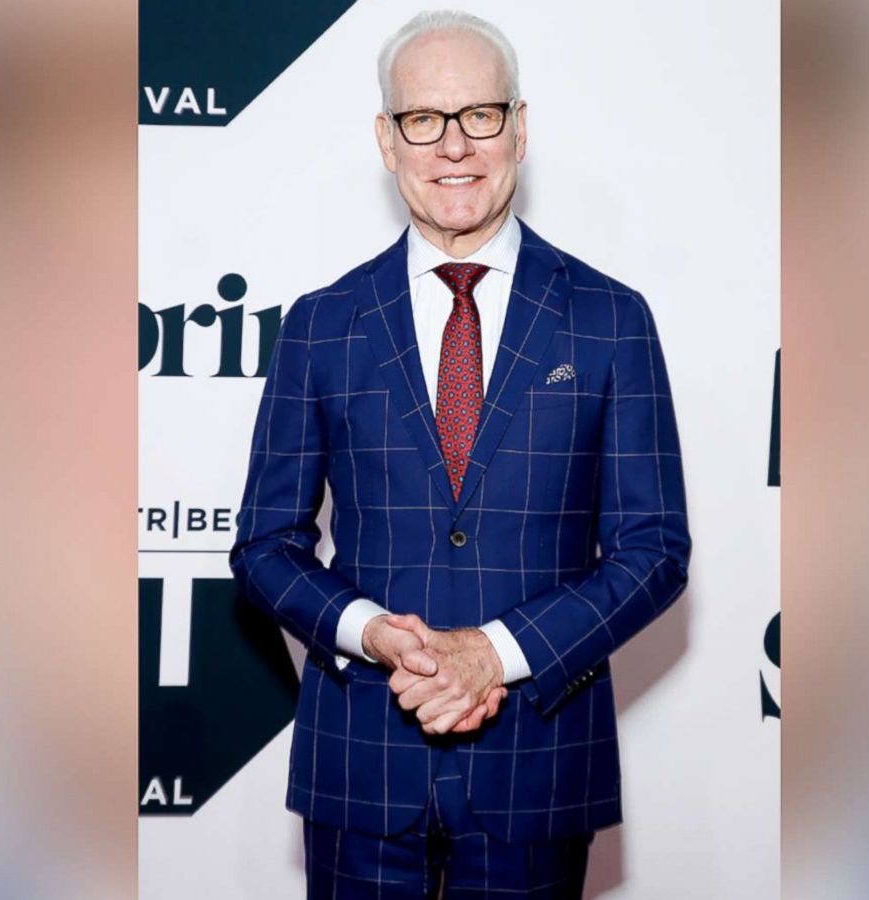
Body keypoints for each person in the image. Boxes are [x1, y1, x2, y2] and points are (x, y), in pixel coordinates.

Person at [229, 10, 691, 898]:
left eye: (479, 115)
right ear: (386, 139)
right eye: (423, 120)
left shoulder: (609, 319)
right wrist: (371, 634)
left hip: (539, 764)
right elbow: (264, 546)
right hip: (361, 761)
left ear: (520, 126)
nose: (453, 146)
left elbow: (654, 551)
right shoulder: (322, 325)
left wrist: (498, 652)